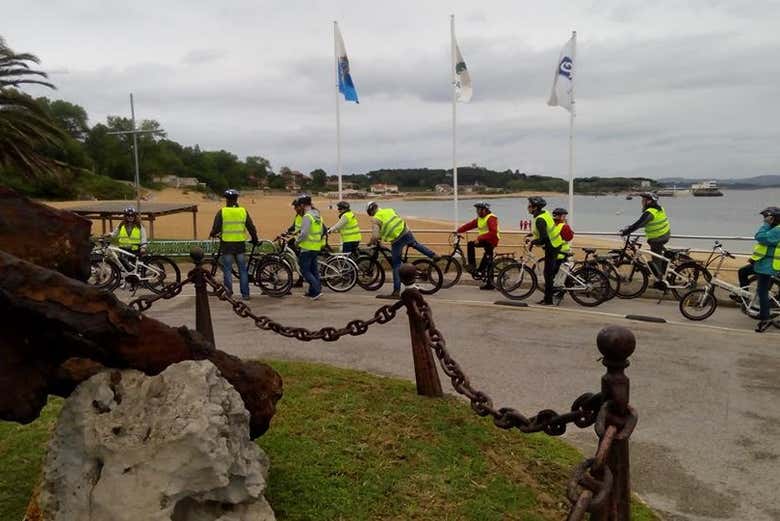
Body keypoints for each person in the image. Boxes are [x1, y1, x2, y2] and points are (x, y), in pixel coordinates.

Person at [366, 200, 437, 298]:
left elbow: (375, 236)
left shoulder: (376, 218)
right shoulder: (389, 210)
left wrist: (370, 242)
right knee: (415, 244)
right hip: (405, 231)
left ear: (371, 211)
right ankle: (434, 255)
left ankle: (396, 292)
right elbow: (396, 221)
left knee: (396, 265)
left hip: (397, 240)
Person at [208, 189, 259, 301]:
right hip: (240, 245)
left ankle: (228, 292)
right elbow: (251, 227)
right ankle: (245, 294)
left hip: (227, 245)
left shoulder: (222, 212)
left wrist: (212, 233)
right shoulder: (243, 211)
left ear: (227, 200)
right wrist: (255, 239)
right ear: (236, 199)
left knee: (227, 269)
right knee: (242, 270)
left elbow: (216, 228)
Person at [739, 207, 780, 332]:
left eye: (766, 218)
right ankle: (744, 297)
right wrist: (754, 259)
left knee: (762, 291)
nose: (764, 220)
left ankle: (765, 318)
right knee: (743, 271)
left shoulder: (777, 230)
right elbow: (764, 248)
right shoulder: (775, 229)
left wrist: (765, 225)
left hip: (769, 266)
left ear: (772, 218)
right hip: (762, 263)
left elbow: (760, 237)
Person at [619, 192, 671, 288]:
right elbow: (644, 223)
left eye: (643, 200)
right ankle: (665, 269)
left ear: (649, 201)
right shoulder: (659, 209)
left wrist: (626, 232)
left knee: (656, 260)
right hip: (665, 234)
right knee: (660, 256)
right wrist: (631, 227)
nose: (642, 202)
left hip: (657, 238)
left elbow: (639, 223)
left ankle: (659, 281)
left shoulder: (650, 212)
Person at [527, 196, 564, 305]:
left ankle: (548, 300)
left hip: (551, 246)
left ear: (535, 207)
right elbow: (544, 230)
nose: (527, 207)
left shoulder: (539, 219)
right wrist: (532, 235)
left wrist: (533, 242)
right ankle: (551, 295)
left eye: (529, 206)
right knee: (550, 272)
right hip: (556, 244)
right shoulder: (545, 213)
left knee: (548, 274)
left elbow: (544, 238)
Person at [456, 201, 500, 290]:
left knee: (471, 244)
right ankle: (485, 278)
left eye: (478, 209)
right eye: (476, 209)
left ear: (484, 210)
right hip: (485, 240)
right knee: (487, 260)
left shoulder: (491, 218)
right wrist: (458, 230)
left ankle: (472, 266)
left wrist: (480, 238)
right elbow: (470, 225)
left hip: (491, 240)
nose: (477, 211)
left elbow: (493, 232)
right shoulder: (480, 218)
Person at [295, 195, 323, 300]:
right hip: (316, 246)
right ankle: (313, 291)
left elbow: (304, 233)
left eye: (299, 205)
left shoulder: (307, 216)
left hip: (307, 247)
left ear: (302, 205)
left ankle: (316, 291)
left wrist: (297, 242)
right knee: (314, 270)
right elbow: (320, 231)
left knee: (305, 271)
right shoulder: (317, 215)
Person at [551, 208, 575, 300]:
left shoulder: (553, 226)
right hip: (562, 252)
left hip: (558, 253)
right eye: (564, 216)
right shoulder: (564, 226)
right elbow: (569, 237)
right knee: (561, 274)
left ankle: (559, 293)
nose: (565, 218)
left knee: (557, 275)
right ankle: (559, 293)